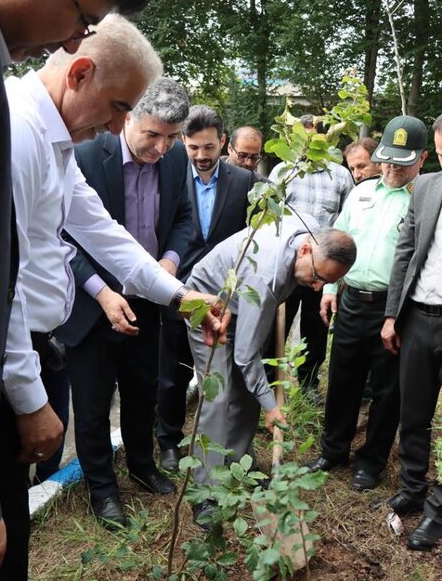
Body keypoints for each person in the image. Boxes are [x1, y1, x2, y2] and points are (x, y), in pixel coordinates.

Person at [0, 0, 153, 581]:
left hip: (35, 355)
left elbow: (101, 232)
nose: (117, 129)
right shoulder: (8, 114)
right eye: (117, 109)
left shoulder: (54, 140)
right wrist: (31, 399)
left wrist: (180, 295)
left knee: (11, 517)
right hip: (11, 365)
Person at [57, 78, 192, 527]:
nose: (161, 147)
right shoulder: (85, 156)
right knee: (93, 404)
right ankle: (102, 489)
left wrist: (168, 264)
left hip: (148, 302)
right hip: (93, 304)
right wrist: (101, 290)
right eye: (152, 135)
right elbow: (60, 236)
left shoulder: (175, 162)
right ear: (129, 116)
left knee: (142, 391)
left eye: (171, 138)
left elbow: (184, 218)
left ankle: (141, 464)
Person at [186, 219, 356, 529]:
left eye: (326, 282)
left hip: (244, 301)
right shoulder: (265, 276)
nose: (317, 287)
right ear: (305, 249)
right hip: (208, 305)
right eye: (317, 277)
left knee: (248, 393)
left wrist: (262, 399)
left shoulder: (308, 234)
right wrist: (272, 406)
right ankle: (205, 492)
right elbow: (245, 356)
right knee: (219, 395)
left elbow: (249, 357)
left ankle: (239, 468)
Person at [307, 116, 428, 492]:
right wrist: (329, 290)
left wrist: (398, 314)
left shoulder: (423, 203)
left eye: (403, 161)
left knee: (387, 390)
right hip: (352, 301)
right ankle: (333, 449)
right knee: (342, 378)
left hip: (393, 311)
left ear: (422, 159)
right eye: (387, 158)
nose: (392, 167)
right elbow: (338, 242)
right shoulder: (361, 194)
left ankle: (371, 461)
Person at [157, 106, 257, 473]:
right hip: (176, 293)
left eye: (209, 147)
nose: (202, 156)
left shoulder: (244, 182)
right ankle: (168, 442)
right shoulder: (168, 177)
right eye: (194, 147)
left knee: (222, 375)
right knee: (171, 374)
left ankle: (225, 448)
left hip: (224, 300)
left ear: (223, 143)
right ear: (183, 141)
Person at [381, 115, 442, 550]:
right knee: (414, 413)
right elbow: (405, 251)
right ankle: (413, 486)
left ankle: (438, 510)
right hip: (419, 316)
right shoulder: (425, 187)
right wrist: (391, 315)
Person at [269, 115, 354, 397]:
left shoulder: (340, 175)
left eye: (313, 137)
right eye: (301, 138)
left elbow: (347, 223)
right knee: (276, 325)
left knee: (316, 328)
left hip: (324, 268)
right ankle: (270, 384)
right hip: (291, 265)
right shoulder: (282, 171)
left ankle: (308, 382)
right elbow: (269, 218)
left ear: (322, 138)